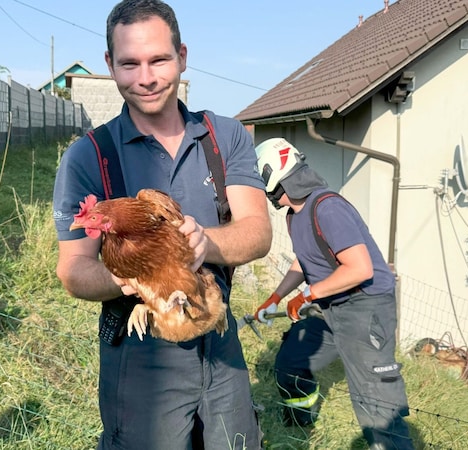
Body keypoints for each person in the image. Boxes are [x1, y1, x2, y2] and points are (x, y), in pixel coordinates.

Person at [52, 1, 271, 448]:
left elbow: (258, 232)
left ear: (183, 56)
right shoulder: (88, 156)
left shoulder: (223, 136)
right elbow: (72, 270)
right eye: (130, 64)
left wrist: (203, 244)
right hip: (141, 350)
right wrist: (130, 278)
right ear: (111, 65)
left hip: (217, 330)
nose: (146, 77)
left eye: (159, 60)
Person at [253, 138, 414, 449]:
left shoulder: (327, 208)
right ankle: (300, 426)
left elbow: (359, 269)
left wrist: (308, 295)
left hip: (365, 309)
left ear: (275, 179)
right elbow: (306, 258)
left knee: (375, 400)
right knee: (291, 362)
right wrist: (277, 296)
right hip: (330, 307)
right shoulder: (294, 215)